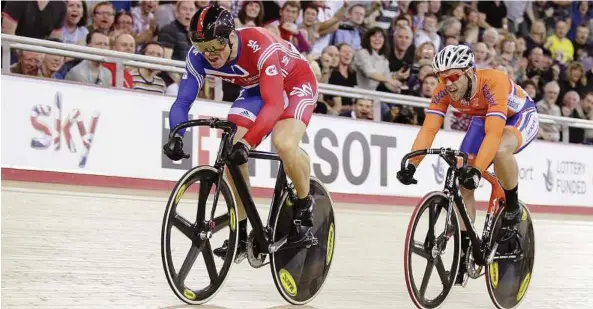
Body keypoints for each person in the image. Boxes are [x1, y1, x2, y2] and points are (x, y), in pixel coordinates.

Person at [162, 4, 318, 263]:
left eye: (215, 47)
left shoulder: (259, 43)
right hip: (258, 87)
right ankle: (242, 230)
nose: (209, 54)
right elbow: (181, 102)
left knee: (284, 143)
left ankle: (304, 205)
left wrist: (249, 142)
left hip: (294, 82)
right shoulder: (197, 56)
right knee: (231, 149)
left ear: (231, 37)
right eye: (203, 48)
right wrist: (176, 135)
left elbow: (275, 105)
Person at [396, 45, 539, 286]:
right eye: (441, 77)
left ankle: (512, 206)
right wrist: (412, 163)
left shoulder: (493, 81)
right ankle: (464, 254)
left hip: (519, 115)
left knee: (501, 150)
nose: (448, 83)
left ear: (470, 72)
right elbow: (429, 129)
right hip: (483, 116)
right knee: (464, 183)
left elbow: (493, 136)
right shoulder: (443, 91)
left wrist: (478, 169)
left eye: (453, 76)